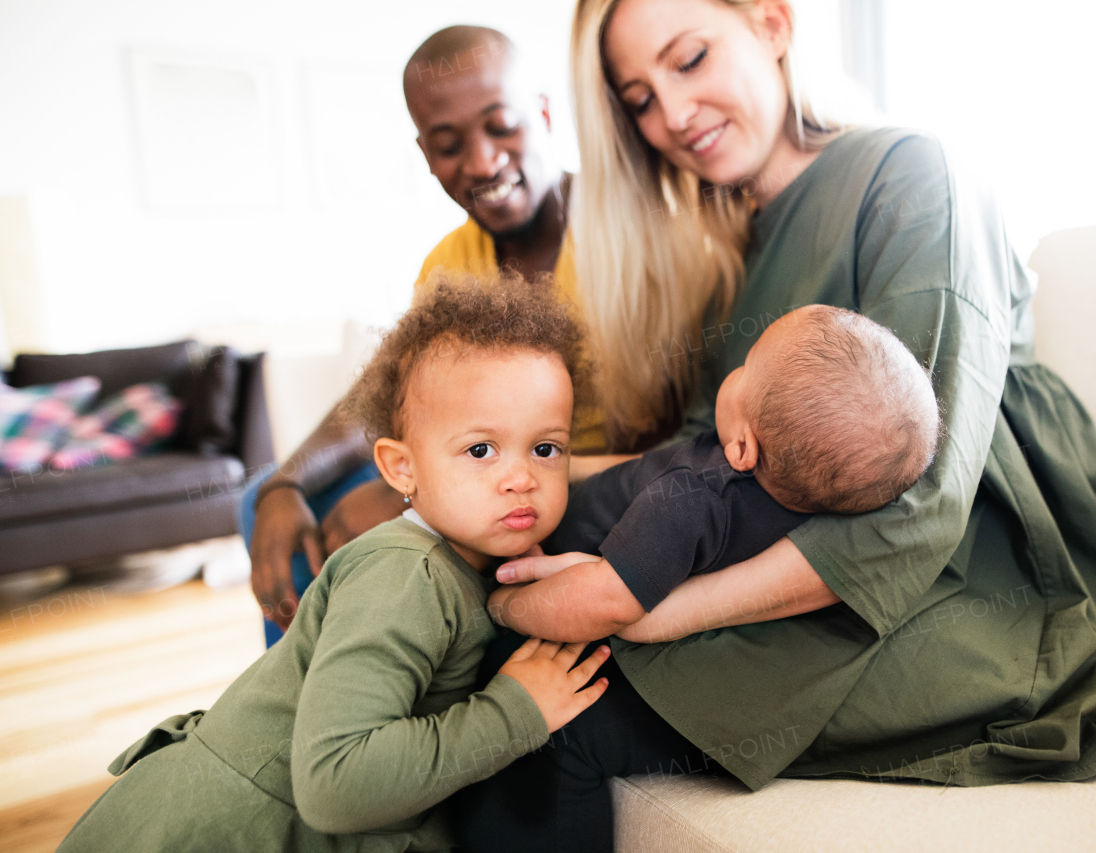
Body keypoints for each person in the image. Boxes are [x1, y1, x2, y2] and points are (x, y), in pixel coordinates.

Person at [454, 1, 1096, 850]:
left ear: (772, 23)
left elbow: (922, 504)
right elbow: (696, 463)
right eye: (639, 99)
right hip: (783, 563)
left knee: (532, 720)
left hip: (960, 585)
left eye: (689, 59)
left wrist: (652, 609)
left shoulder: (912, 171)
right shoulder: (729, 247)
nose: (673, 116)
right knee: (471, 655)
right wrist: (472, 483)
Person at [59, 276, 612, 853]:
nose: (521, 478)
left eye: (546, 449)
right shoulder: (404, 577)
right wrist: (513, 712)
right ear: (401, 469)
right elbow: (335, 784)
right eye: (480, 450)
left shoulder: (455, 561)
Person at [242, 25, 627, 646]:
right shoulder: (448, 262)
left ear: (546, 114)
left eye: (502, 126)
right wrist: (284, 483)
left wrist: (411, 506)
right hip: (478, 474)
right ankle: (315, 695)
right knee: (271, 503)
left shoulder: (629, 233)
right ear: (424, 154)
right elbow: (388, 394)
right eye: (449, 145)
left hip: (574, 486)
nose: (481, 161)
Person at [486, 304, 941, 641]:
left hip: (541, 560)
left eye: (745, 369)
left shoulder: (691, 499)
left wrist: (502, 607)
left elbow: (605, 603)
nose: (735, 371)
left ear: (742, 448)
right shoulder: (798, 503)